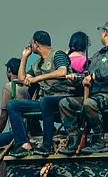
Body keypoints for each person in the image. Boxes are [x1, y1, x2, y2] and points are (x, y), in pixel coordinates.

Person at [59, 20, 108, 155]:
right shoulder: (98, 54)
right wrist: (77, 78)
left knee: (89, 103)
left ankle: (99, 140)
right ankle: (73, 139)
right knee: (65, 103)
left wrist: (95, 76)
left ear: (104, 33)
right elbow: (87, 73)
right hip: (94, 94)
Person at [7, 30, 73, 158]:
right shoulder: (37, 64)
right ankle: (24, 143)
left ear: (36, 44)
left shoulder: (57, 55)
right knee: (12, 105)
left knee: (45, 101)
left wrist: (37, 79)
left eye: (31, 43)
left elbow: (62, 71)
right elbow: (22, 81)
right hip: (45, 102)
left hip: (63, 98)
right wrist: (24, 57)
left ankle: (47, 145)